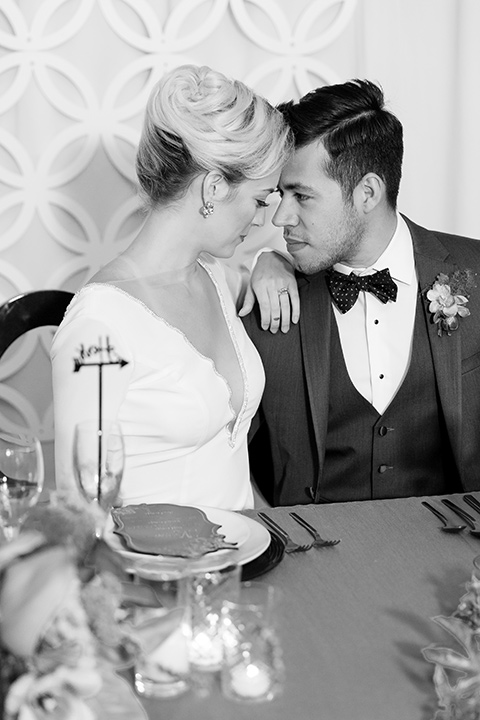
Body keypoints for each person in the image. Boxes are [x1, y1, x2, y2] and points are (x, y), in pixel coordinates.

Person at [51, 64, 294, 510]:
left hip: (244, 556)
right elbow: (80, 507)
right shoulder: (99, 323)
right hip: (155, 572)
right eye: (260, 200)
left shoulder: (213, 277)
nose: (264, 220)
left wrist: (271, 261)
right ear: (214, 187)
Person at [244, 78, 480, 506]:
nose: (280, 217)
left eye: (301, 195)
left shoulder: (475, 274)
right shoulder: (268, 302)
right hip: (313, 555)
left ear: (367, 192)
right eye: (280, 194)